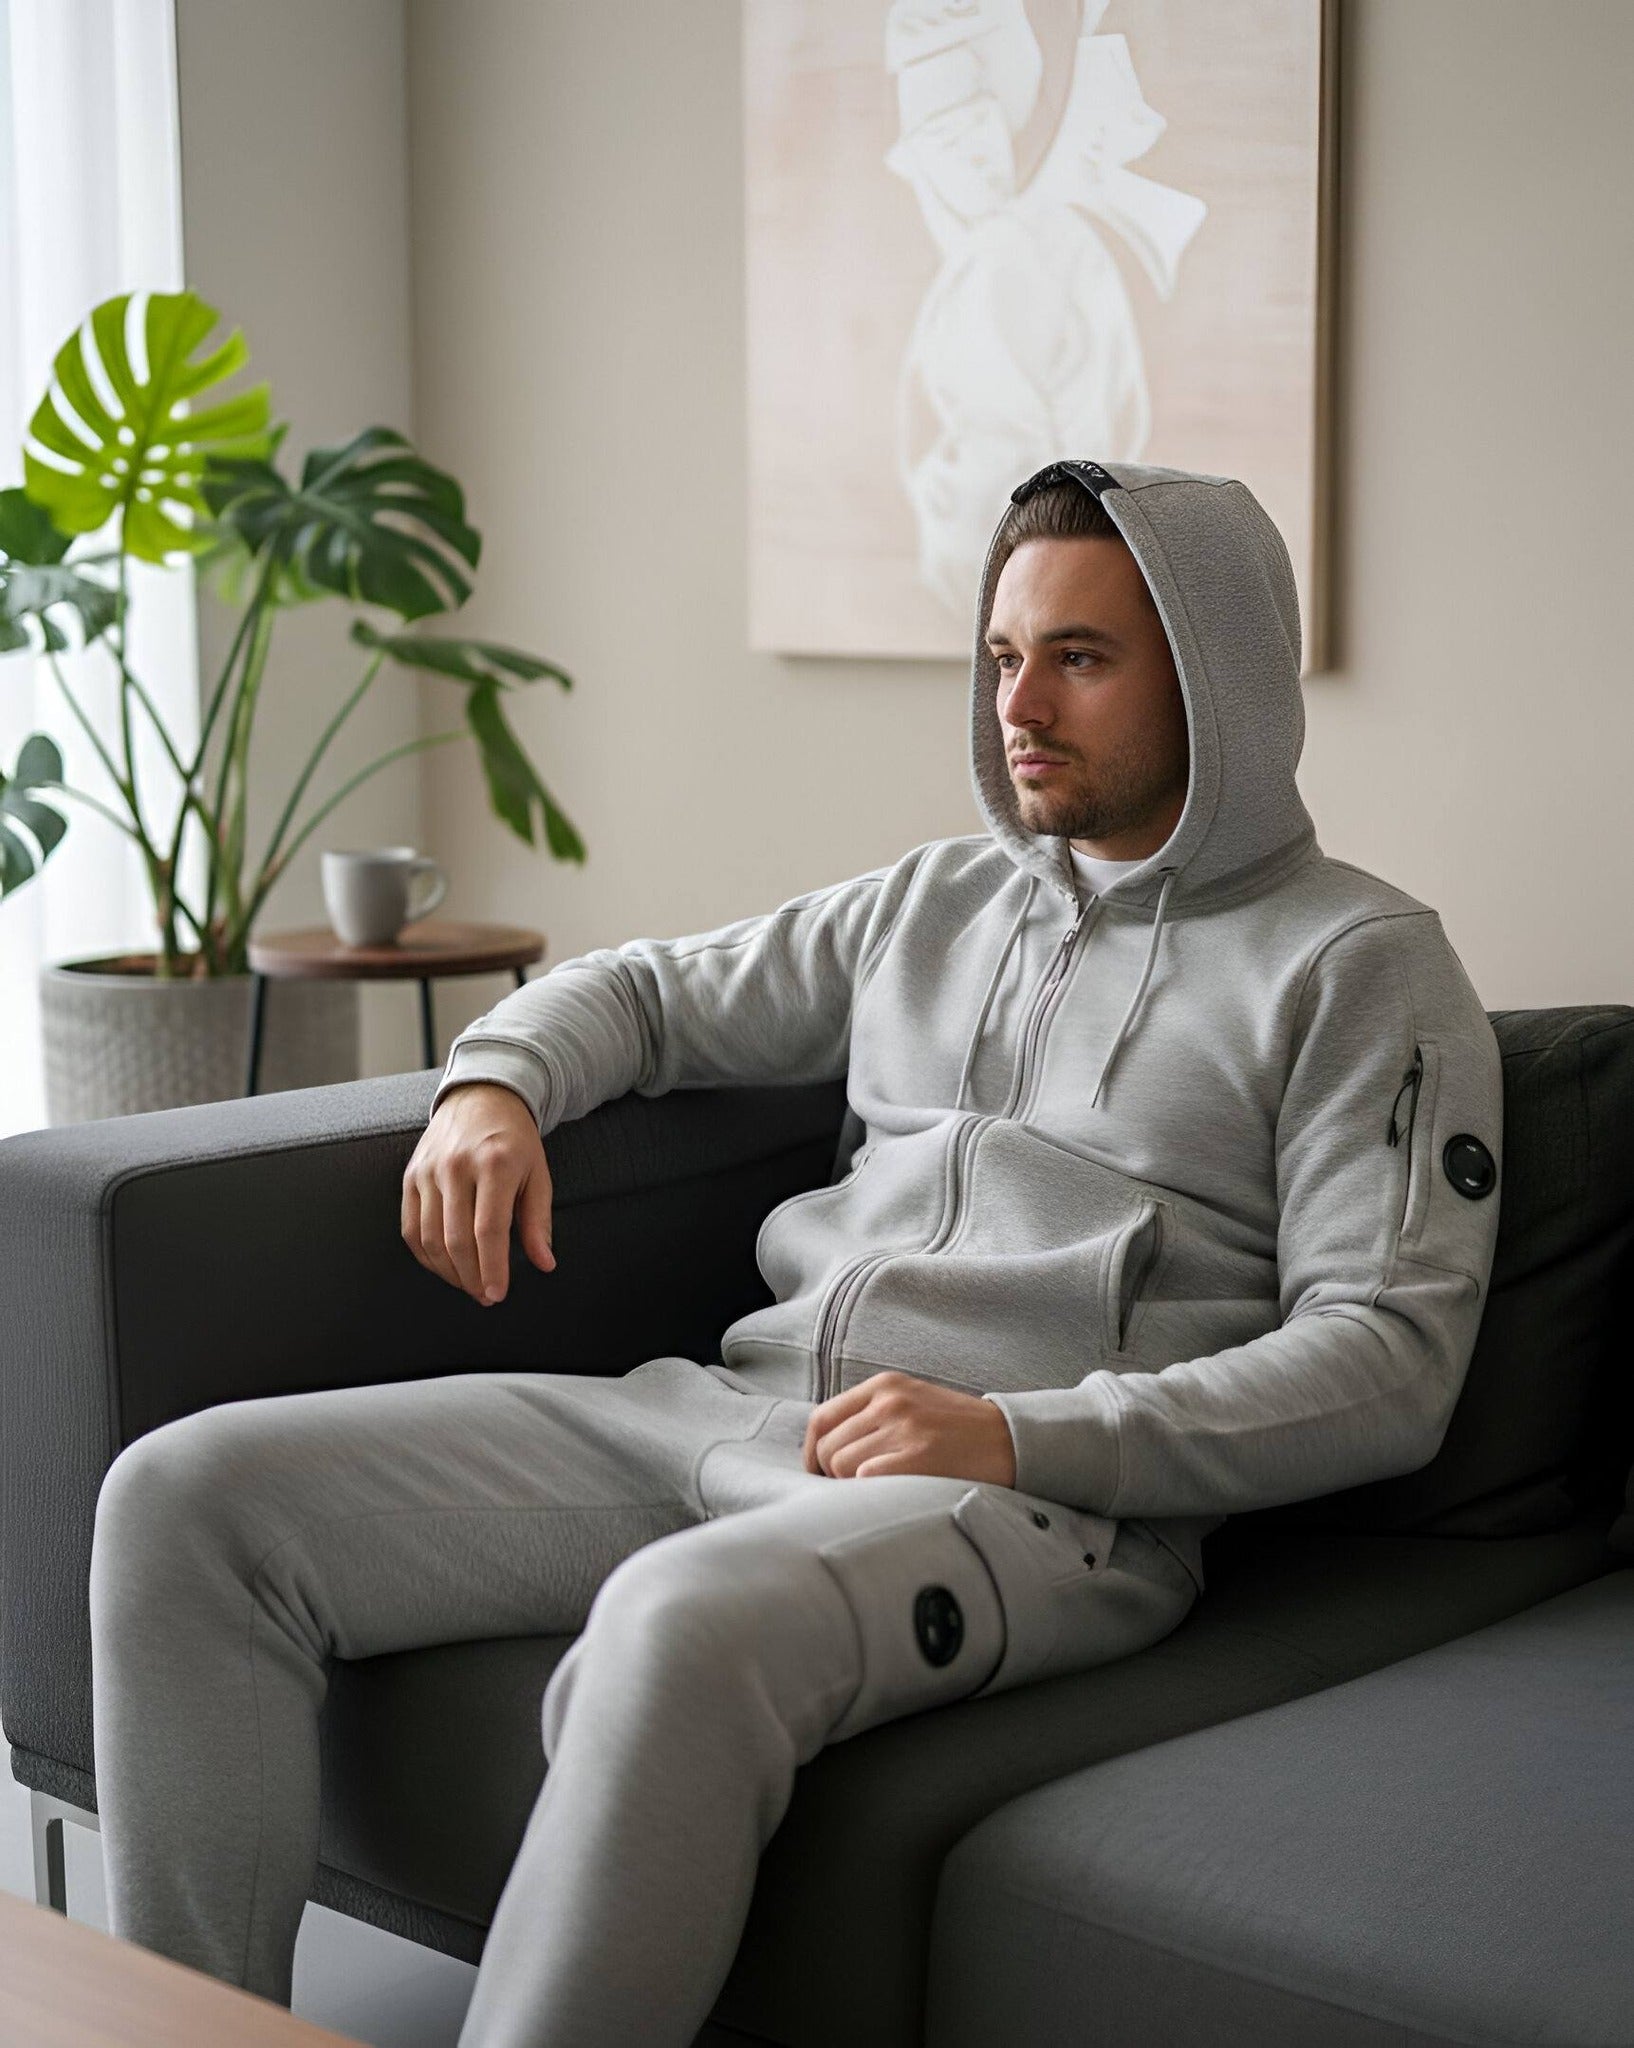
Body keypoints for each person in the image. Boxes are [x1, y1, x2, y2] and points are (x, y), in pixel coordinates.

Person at [88, 459, 1503, 2048]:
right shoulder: (936, 902)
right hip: (726, 1415)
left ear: (1214, 680)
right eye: (1001, 655)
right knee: (189, 1500)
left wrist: (1019, 1432)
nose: (1018, 705)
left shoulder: (1359, 967)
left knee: (675, 1626)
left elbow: (1388, 1361)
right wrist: (492, 1086)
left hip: (1031, 1506)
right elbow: (646, 991)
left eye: (1079, 658)